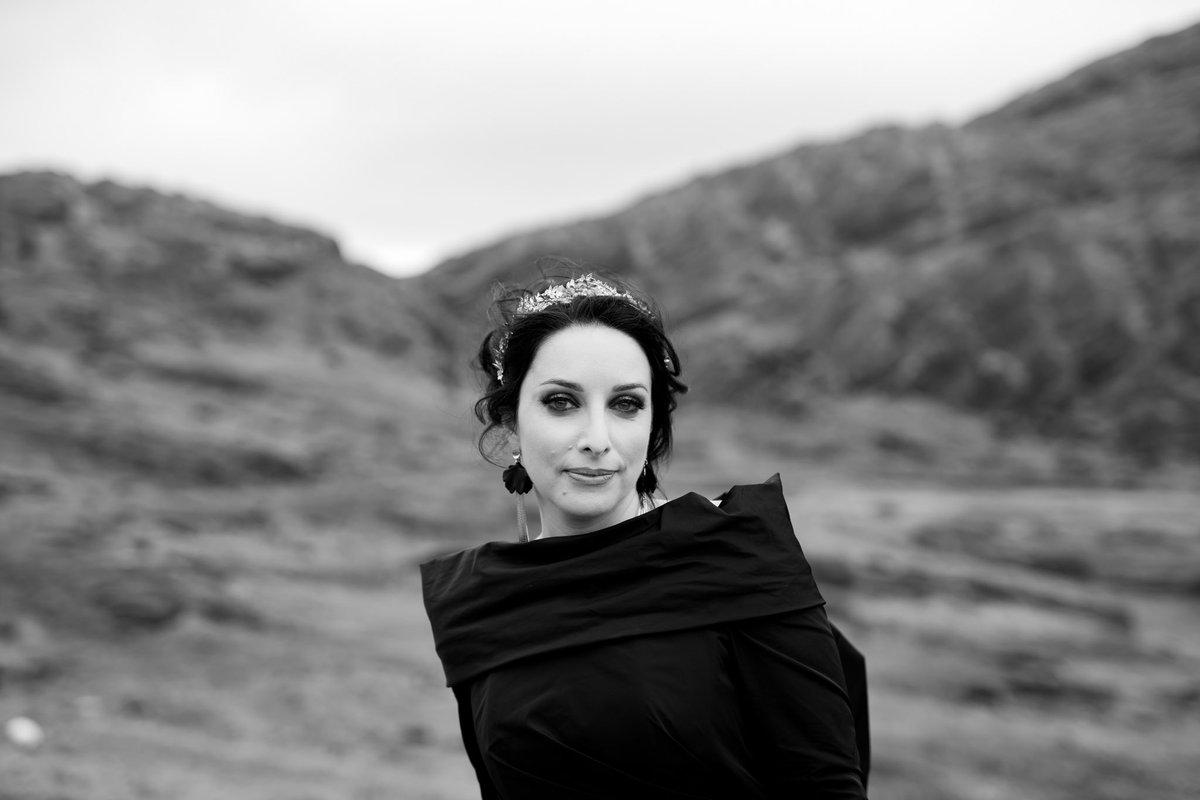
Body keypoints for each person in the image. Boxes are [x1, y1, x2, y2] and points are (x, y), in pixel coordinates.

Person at [421, 270, 869, 799]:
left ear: (652, 428)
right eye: (561, 402)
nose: (596, 439)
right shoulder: (479, 602)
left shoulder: (737, 560)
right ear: (511, 423)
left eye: (625, 404)